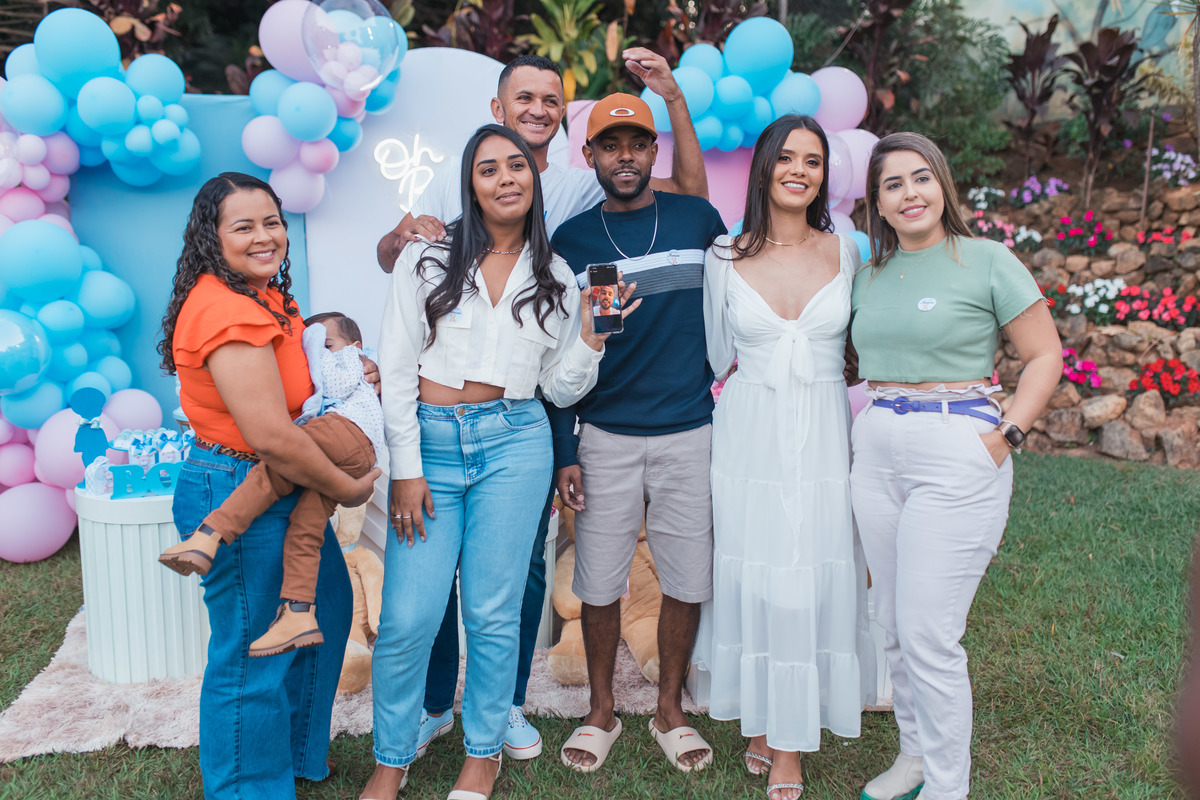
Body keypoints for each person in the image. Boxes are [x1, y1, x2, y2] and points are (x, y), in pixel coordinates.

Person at [374, 52, 709, 764]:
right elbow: (395, 272)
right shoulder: (452, 215)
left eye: (550, 99)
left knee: (512, 584)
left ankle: (503, 708)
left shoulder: (565, 227)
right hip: (462, 433)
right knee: (422, 602)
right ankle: (435, 706)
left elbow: (558, 372)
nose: (536, 110)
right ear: (497, 111)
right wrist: (403, 237)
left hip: (525, 429)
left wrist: (590, 338)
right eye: (523, 98)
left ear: (562, 121)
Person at [362, 124, 633, 800]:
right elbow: (396, 366)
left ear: (534, 181)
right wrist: (406, 468)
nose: (506, 178)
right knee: (408, 619)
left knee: (492, 613)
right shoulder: (426, 258)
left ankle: (482, 754)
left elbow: (560, 389)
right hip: (428, 446)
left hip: (515, 443)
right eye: (489, 169)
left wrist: (592, 339)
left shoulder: (558, 276)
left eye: (517, 166)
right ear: (471, 185)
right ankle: (390, 760)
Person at [849, 132, 1062, 800]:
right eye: (892, 184)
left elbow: (1045, 356)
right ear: (877, 202)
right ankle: (914, 758)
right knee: (890, 621)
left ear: (942, 185)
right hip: (877, 444)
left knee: (928, 631)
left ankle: (948, 785)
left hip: (957, 444)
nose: (909, 194)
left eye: (921, 178)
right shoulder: (867, 275)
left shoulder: (987, 260)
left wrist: (1006, 435)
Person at [160, 172, 380, 798]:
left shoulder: (265, 295)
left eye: (272, 222)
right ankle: (249, 787)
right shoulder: (225, 309)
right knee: (253, 652)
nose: (264, 237)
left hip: (279, 481)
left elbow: (299, 387)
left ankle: (292, 758)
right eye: (244, 226)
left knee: (322, 611)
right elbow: (272, 437)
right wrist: (348, 487)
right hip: (238, 481)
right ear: (212, 237)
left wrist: (349, 373)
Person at [701, 115, 875, 800]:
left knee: (810, 567)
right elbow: (717, 354)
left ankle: (790, 745)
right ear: (765, 167)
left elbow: (862, 343)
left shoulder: (847, 253)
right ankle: (764, 710)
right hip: (749, 433)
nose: (799, 170)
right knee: (757, 573)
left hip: (825, 432)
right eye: (787, 158)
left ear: (825, 175)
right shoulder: (723, 255)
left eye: (813, 160)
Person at [551, 94, 725, 775]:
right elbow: (554, 358)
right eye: (609, 145)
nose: (624, 156)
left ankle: (669, 709)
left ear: (655, 151)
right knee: (598, 581)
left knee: (686, 576)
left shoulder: (696, 219)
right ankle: (601, 711)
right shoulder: (571, 241)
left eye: (637, 144)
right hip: (604, 434)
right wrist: (565, 448)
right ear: (589, 155)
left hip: (689, 430)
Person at [159, 311, 384, 657]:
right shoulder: (349, 363)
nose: (318, 351)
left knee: (274, 469)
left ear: (354, 345)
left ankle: (211, 534)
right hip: (354, 452)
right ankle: (298, 612)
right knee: (305, 526)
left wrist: (316, 351)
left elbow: (337, 384)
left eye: (327, 344)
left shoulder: (352, 359)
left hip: (345, 431)